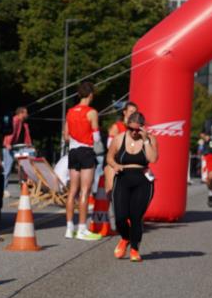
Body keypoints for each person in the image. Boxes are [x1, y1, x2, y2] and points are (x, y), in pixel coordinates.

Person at [106, 111, 158, 262]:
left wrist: (146, 140)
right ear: (127, 126)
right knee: (120, 217)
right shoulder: (119, 139)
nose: (134, 132)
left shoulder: (150, 139)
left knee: (136, 217)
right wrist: (115, 165)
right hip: (122, 178)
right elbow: (109, 157)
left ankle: (135, 249)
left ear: (143, 127)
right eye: (131, 129)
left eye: (137, 129)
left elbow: (153, 159)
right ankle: (125, 238)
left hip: (143, 180)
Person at [62, 81, 103, 240]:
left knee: (72, 191)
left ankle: (69, 228)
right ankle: (82, 229)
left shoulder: (70, 111)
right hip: (86, 151)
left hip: (73, 151)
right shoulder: (92, 112)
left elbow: (66, 136)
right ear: (91, 95)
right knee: (85, 190)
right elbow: (96, 136)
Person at [105, 101, 138, 194]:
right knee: (112, 192)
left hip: (131, 164)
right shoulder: (117, 126)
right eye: (131, 111)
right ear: (125, 112)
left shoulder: (136, 129)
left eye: (135, 112)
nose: (133, 114)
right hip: (115, 163)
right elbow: (109, 146)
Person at [2, 107, 34, 193]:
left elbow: (27, 137)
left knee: (31, 154)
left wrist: (29, 145)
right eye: (26, 113)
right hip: (10, 147)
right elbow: (10, 133)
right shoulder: (15, 120)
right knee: (7, 169)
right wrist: (7, 143)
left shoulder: (24, 124)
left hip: (18, 148)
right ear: (21, 113)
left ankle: (27, 182)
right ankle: (3, 189)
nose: (27, 115)